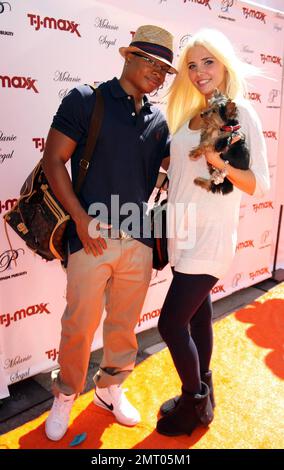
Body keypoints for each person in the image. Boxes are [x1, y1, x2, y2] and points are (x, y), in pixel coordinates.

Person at [42, 24, 177, 441]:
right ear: (129, 57)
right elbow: (53, 161)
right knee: (79, 324)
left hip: (138, 240)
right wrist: (81, 220)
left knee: (123, 325)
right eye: (152, 63)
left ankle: (109, 389)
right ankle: (66, 394)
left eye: (165, 69)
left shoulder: (158, 118)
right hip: (91, 235)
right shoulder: (87, 100)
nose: (158, 74)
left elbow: (173, 166)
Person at [156, 28, 270, 437]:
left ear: (224, 64)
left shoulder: (240, 112)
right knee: (198, 316)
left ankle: (193, 401)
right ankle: (205, 390)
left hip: (211, 237)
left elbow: (260, 184)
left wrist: (217, 162)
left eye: (208, 62)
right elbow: (184, 173)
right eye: (192, 65)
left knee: (170, 324)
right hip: (181, 234)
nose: (200, 72)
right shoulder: (190, 115)